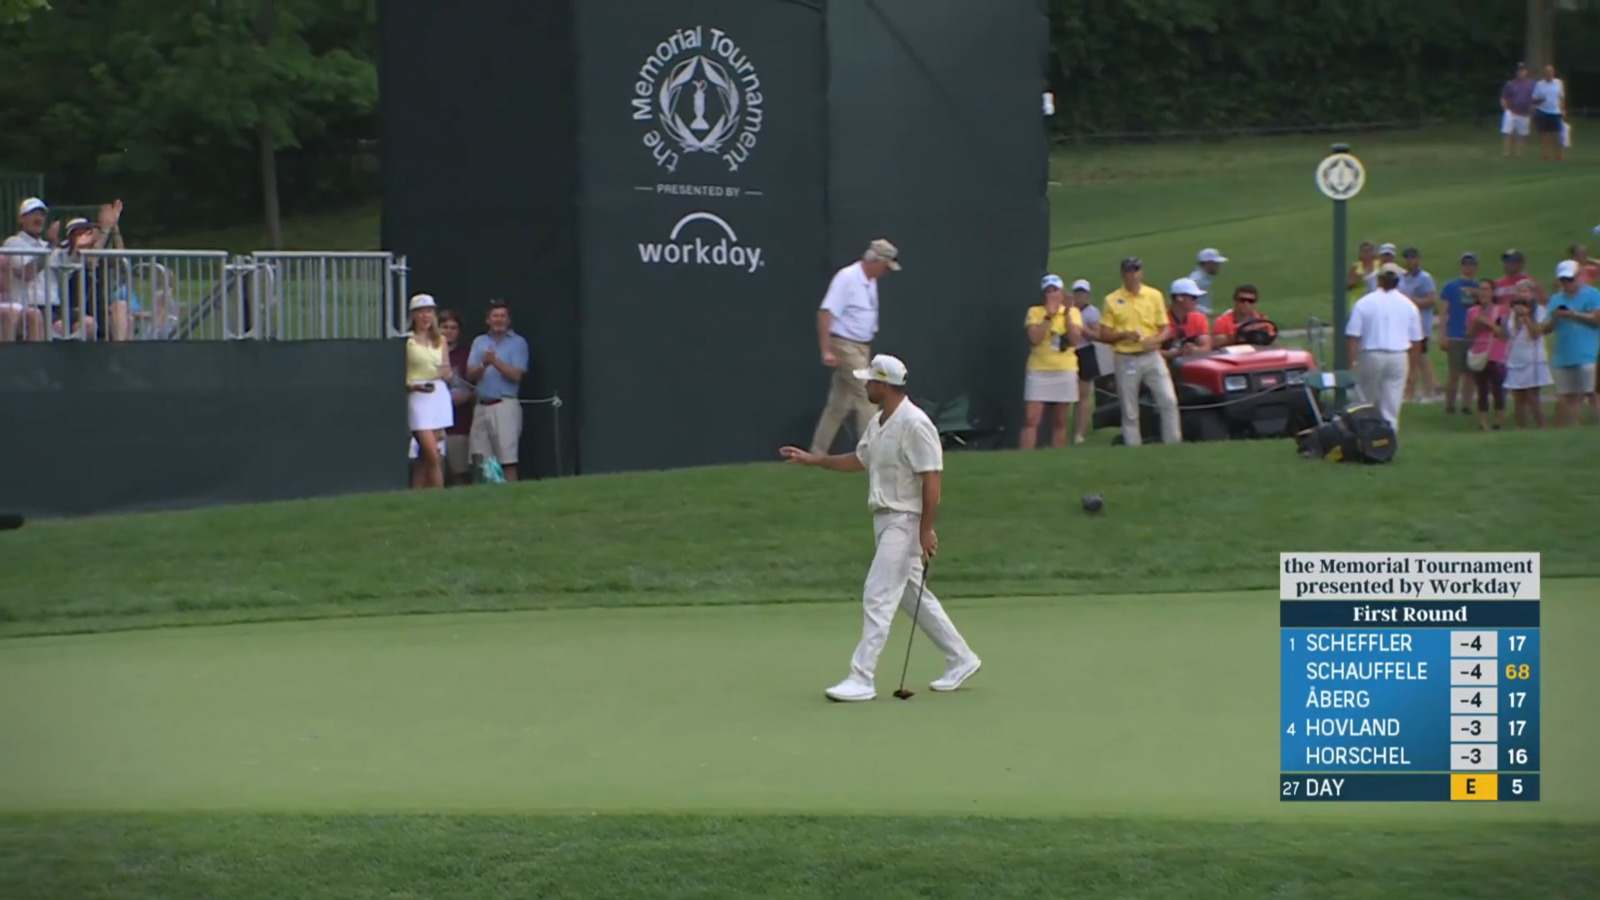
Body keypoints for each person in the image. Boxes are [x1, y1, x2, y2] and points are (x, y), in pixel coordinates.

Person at [778, 354, 981, 702]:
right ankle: (961, 657)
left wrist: (925, 530)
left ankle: (862, 677)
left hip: (905, 520)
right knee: (910, 594)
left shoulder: (916, 424)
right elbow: (860, 460)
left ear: (885, 385)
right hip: (885, 520)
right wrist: (815, 460)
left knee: (878, 593)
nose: (864, 385)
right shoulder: (879, 422)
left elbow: (932, 481)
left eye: (870, 381)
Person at [809, 239, 900, 455]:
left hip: (861, 347)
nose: (886, 272)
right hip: (844, 344)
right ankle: (870, 453)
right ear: (874, 261)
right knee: (868, 393)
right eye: (885, 267)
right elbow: (825, 312)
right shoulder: (847, 278)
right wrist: (826, 349)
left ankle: (816, 453)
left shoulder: (870, 281)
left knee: (839, 404)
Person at [1099, 257, 1179, 446]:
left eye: (1136, 271)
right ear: (1123, 274)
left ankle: (1173, 442)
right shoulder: (1112, 300)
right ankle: (1133, 446)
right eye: (1129, 272)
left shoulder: (1154, 295)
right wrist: (1124, 334)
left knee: (1168, 399)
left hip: (1151, 355)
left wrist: (1157, 339)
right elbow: (1104, 334)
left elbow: (1165, 327)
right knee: (1129, 408)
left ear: (1141, 273)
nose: (1132, 276)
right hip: (1126, 357)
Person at [1346, 263, 1423, 430]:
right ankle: (1388, 440)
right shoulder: (1409, 305)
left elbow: (1353, 336)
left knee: (1365, 401)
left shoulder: (1364, 303)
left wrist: (1351, 364)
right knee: (1392, 406)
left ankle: (1365, 436)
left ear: (1379, 280)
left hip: (1371, 355)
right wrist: (1414, 370)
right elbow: (1416, 341)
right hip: (1399, 357)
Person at [466, 300, 531, 481]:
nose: (499, 320)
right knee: (481, 460)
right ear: (488, 320)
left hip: (505, 405)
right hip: (481, 406)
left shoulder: (518, 343)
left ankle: (511, 497)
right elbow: (470, 375)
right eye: (495, 316)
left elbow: (517, 375)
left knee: (507, 459)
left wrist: (495, 362)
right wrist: (483, 365)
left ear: (508, 320)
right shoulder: (479, 342)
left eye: (503, 316)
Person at [1020, 275, 1084, 449]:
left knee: (1060, 419)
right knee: (1031, 418)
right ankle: (1024, 458)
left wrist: (1067, 314)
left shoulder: (1073, 312)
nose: (1052, 294)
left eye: (1055, 290)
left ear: (1061, 292)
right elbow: (1035, 338)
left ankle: (1058, 456)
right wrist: (1048, 316)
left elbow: (1075, 338)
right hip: (1039, 369)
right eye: (1048, 291)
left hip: (1064, 369)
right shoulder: (1035, 312)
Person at [1542, 260, 1600, 426]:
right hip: (1564, 355)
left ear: (1579, 277)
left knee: (1593, 393)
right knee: (1569, 396)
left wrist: (1573, 314)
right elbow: (1546, 329)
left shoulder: (1592, 294)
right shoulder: (1556, 299)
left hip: (1588, 354)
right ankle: (1574, 427)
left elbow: (1597, 319)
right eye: (1563, 280)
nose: (1567, 283)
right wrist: (1554, 317)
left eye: (1570, 279)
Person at [405, 294, 453, 489]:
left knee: (429, 455)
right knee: (432, 453)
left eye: (429, 312)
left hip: (438, 394)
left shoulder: (440, 340)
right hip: (418, 396)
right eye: (421, 312)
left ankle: (419, 496)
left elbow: (447, 369)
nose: (426, 316)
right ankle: (440, 495)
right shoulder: (407, 342)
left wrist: (446, 373)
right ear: (414, 315)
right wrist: (414, 386)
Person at [2, 197, 58, 342]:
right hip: (29, 306)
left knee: (87, 324)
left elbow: (77, 262)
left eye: (41, 214)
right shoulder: (13, 243)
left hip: (53, 307)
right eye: (33, 213)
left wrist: (104, 231)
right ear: (21, 219)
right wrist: (51, 246)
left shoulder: (48, 246)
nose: (38, 218)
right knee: (36, 318)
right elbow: (27, 273)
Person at [1503, 280, 1552, 429]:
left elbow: (1536, 334)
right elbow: (1509, 335)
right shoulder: (1511, 313)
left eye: (1526, 291)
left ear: (1532, 294)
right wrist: (1517, 318)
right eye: (1519, 291)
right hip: (1515, 358)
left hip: (1533, 359)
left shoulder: (1540, 311)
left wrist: (1526, 317)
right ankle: (1521, 429)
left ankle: (1542, 427)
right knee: (1518, 397)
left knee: (1533, 397)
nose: (1522, 294)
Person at [1438, 253, 1480, 414]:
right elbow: (1443, 312)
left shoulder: (1479, 287)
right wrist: (1443, 335)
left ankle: (1466, 405)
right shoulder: (1451, 286)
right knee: (1454, 373)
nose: (1469, 267)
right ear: (1461, 266)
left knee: (1470, 374)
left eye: (1472, 264)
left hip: (1473, 335)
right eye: (1466, 264)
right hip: (1455, 334)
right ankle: (1449, 405)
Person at [1465, 278, 1509, 431]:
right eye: (1481, 289)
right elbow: (1469, 334)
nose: (1483, 293)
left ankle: (1499, 420)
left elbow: (1503, 334)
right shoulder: (1472, 311)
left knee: (1498, 388)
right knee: (1482, 388)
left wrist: (1488, 323)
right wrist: (1477, 323)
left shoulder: (1501, 310)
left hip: (1496, 353)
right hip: (1479, 352)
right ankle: (1482, 422)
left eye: (1486, 289)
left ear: (1492, 292)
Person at [1069, 278, 1107, 445]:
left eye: (1083, 293)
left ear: (1088, 295)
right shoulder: (1068, 310)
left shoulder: (1092, 312)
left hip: (1085, 351)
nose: (1080, 296)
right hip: (1069, 352)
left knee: (1083, 395)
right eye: (1077, 292)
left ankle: (1080, 433)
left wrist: (1081, 328)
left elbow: (1097, 335)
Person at [1398, 247, 1438, 403]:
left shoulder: (1425, 278)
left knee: (1421, 358)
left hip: (1421, 325)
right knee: (1412, 359)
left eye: (1413, 258)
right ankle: (1415, 390)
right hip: (1406, 326)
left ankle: (1428, 391)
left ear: (1418, 259)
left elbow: (1432, 300)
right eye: (1407, 258)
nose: (1410, 261)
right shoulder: (1402, 278)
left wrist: (1411, 301)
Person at [439, 309, 475, 485]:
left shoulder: (467, 354)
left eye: (453, 327)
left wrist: (467, 396)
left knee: (459, 472)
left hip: (459, 423)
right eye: (444, 327)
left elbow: (474, 387)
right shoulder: (429, 353)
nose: (448, 331)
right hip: (434, 424)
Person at [1162, 277, 1212, 360]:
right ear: (1179, 298)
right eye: (1193, 297)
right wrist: (1173, 354)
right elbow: (1151, 352)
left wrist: (1195, 350)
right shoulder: (1161, 320)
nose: (1197, 301)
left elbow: (1206, 347)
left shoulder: (1199, 318)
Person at [1531, 64, 1566, 162]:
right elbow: (1533, 100)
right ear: (1544, 74)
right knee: (1544, 135)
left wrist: (1563, 110)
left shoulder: (1559, 83)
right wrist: (1540, 101)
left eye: (1550, 72)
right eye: (1547, 72)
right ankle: (1545, 156)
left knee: (1558, 135)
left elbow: (1562, 98)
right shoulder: (1539, 84)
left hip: (1556, 112)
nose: (1549, 74)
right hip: (1543, 112)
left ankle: (1559, 156)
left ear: (1553, 73)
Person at [1500, 63, 1536, 158]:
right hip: (1511, 111)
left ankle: (1519, 154)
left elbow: (1536, 97)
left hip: (1525, 113)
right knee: (1508, 132)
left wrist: (1533, 107)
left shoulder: (1532, 84)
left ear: (1526, 71)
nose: (1521, 72)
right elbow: (1504, 97)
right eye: (1519, 70)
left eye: (1523, 70)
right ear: (1516, 72)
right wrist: (1505, 108)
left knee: (1522, 134)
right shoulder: (1510, 84)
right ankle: (1507, 152)